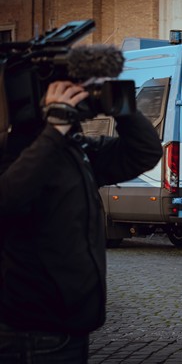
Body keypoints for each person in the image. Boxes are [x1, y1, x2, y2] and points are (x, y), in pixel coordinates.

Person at [0, 80, 163, 362]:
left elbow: (144, 152)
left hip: (71, 326)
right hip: (28, 332)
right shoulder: (12, 149)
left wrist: (121, 106)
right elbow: (8, 199)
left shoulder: (76, 148)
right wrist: (55, 129)